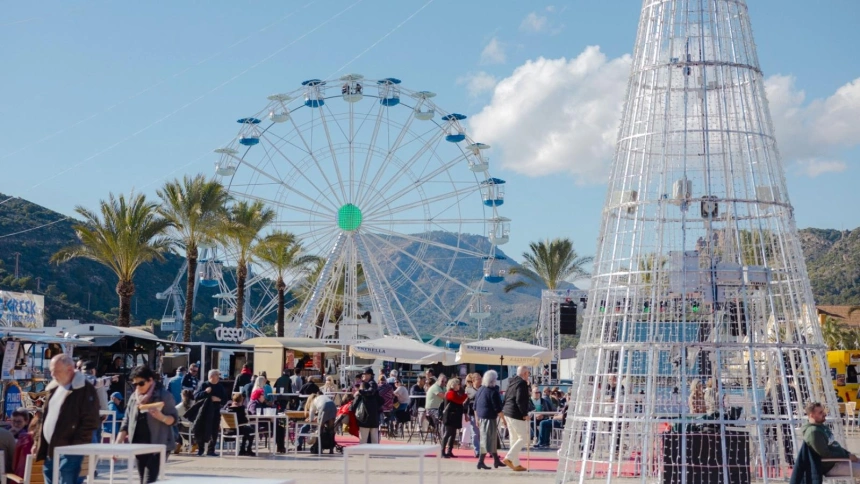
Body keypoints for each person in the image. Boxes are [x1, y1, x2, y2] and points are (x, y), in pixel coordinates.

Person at [36, 354, 100, 484]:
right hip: (51, 447)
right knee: (48, 474)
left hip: (71, 448)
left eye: (56, 371)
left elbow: (90, 421)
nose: (53, 375)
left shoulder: (84, 389)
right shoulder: (54, 388)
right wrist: (37, 441)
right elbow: (45, 416)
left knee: (67, 477)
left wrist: (76, 445)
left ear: (70, 369)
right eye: (51, 371)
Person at [116, 365, 178, 483]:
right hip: (138, 445)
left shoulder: (163, 395)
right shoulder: (134, 397)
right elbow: (126, 421)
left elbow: (174, 419)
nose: (138, 387)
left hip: (159, 445)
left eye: (141, 383)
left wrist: (162, 417)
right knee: (142, 479)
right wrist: (117, 444)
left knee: (148, 480)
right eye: (135, 384)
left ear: (150, 380)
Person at [800, 401, 860, 477]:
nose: (824, 414)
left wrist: (848, 454)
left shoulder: (821, 426)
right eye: (820, 412)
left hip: (840, 460)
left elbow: (834, 445)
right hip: (830, 466)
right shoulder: (813, 432)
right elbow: (825, 454)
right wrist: (847, 457)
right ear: (812, 415)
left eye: (823, 411)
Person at [501, 366, 531, 472]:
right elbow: (520, 400)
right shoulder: (522, 383)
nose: (529, 375)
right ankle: (509, 458)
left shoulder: (511, 382)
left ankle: (515, 463)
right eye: (528, 373)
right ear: (524, 373)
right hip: (515, 413)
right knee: (524, 438)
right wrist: (524, 414)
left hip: (507, 412)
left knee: (514, 439)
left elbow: (505, 397)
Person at [192, 369, 227, 456]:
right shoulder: (204, 385)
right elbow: (196, 396)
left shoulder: (220, 387)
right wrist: (205, 392)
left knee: (214, 430)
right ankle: (201, 449)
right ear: (211, 376)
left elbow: (225, 399)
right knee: (202, 429)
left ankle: (211, 450)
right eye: (217, 375)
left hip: (215, 411)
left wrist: (219, 400)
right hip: (204, 411)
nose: (218, 377)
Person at [475, 370, 505, 470]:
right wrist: (504, 420)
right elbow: (498, 408)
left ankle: (496, 460)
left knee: (491, 440)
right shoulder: (493, 391)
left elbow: (475, 406)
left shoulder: (480, 389)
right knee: (487, 440)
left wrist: (477, 418)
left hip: (482, 417)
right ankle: (480, 462)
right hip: (489, 418)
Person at [247, 389, 287, 453]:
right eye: (262, 395)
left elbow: (269, 409)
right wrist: (268, 418)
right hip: (257, 424)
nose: (264, 396)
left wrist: (272, 406)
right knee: (276, 426)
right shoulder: (253, 403)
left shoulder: (261, 403)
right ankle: (281, 448)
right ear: (258, 396)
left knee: (281, 427)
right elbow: (254, 414)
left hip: (264, 422)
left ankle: (280, 447)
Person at [440, 378, 468, 458]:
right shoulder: (450, 393)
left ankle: (449, 451)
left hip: (454, 416)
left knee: (453, 434)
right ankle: (442, 451)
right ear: (453, 385)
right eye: (458, 384)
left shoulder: (455, 393)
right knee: (447, 433)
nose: (459, 386)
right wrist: (466, 395)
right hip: (449, 416)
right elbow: (458, 400)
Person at [353, 368, 382, 444]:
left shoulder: (372, 383)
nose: (363, 376)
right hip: (372, 415)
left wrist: (360, 391)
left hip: (367, 415)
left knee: (365, 438)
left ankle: (365, 450)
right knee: (373, 438)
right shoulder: (370, 383)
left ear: (369, 375)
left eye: (364, 374)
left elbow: (370, 392)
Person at [13, 409, 38, 477]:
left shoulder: (25, 439)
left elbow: (14, 465)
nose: (16, 424)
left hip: (21, 478)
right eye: (13, 421)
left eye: (19, 422)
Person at [461, 372, 481, 457]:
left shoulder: (483, 389)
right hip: (472, 413)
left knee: (482, 434)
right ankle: (477, 451)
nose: (480, 380)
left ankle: (485, 450)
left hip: (483, 413)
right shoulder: (468, 390)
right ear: (473, 380)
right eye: (478, 379)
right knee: (475, 433)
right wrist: (465, 414)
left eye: (481, 379)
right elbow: (465, 403)